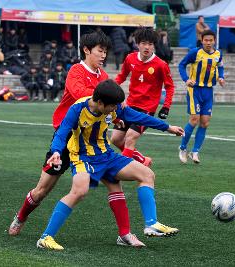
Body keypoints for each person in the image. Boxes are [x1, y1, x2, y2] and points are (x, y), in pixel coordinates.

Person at [9, 30, 145, 247]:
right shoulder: (76, 71)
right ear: (86, 50)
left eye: (105, 51)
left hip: (92, 143)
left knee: (113, 182)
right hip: (67, 138)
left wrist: (115, 114)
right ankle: (21, 216)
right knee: (42, 190)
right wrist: (114, 101)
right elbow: (82, 95)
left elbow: (108, 105)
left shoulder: (103, 77)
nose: (103, 55)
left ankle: (125, 233)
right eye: (100, 51)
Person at [36, 80, 184, 250]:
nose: (115, 109)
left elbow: (139, 117)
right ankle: (46, 238)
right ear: (99, 103)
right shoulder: (77, 109)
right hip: (83, 158)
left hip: (106, 155)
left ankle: (150, 224)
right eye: (112, 106)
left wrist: (167, 127)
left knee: (146, 174)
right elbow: (62, 133)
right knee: (79, 191)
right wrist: (56, 151)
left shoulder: (112, 107)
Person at [111, 27, 175, 167]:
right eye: (144, 43)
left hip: (146, 109)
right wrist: (111, 88)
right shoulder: (130, 58)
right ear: (137, 43)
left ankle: (121, 171)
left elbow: (170, 86)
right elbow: (121, 76)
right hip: (129, 106)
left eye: (150, 44)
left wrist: (166, 106)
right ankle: (142, 160)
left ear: (154, 45)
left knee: (130, 138)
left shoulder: (161, 65)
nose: (147, 47)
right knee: (115, 139)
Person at [178, 29, 225, 164]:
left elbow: (220, 66)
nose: (208, 43)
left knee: (205, 122)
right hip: (195, 90)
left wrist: (221, 77)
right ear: (201, 40)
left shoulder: (218, 54)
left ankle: (195, 151)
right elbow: (182, 65)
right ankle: (182, 148)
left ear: (214, 40)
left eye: (211, 40)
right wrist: (186, 79)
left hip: (208, 91)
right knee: (194, 120)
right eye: (206, 40)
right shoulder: (195, 52)